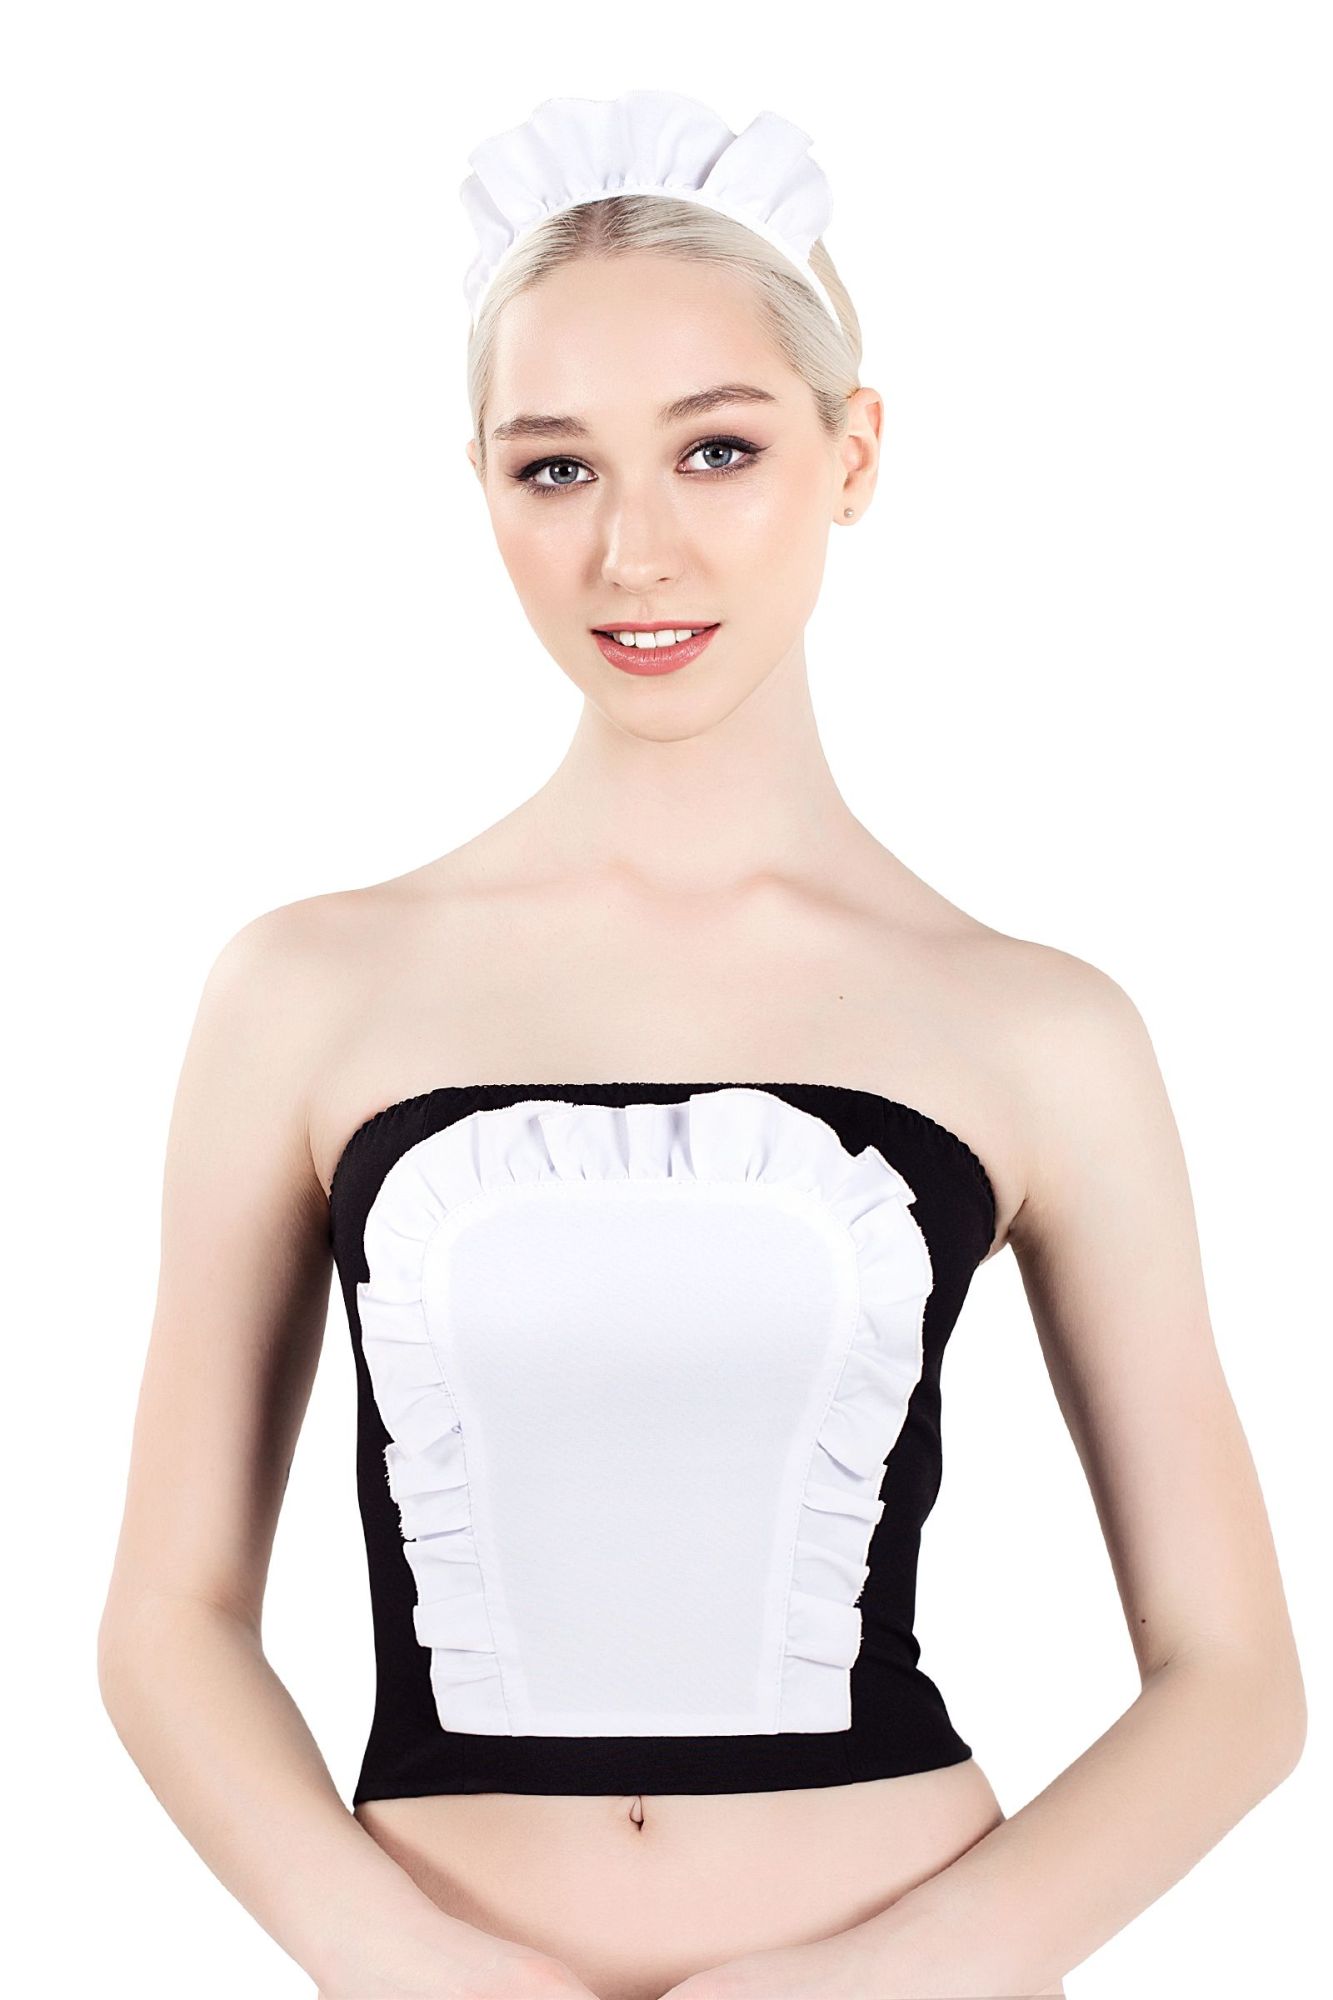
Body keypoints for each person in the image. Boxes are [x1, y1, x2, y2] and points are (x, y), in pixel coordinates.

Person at [97, 90, 1305, 2000]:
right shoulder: (305, 991)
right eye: (553, 470)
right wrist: (392, 1960)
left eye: (718, 449)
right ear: (480, 485)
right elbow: (166, 1620)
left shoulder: (1036, 1026)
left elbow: (1234, 1679)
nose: (632, 551)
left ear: (853, 452)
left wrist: (899, 1978)